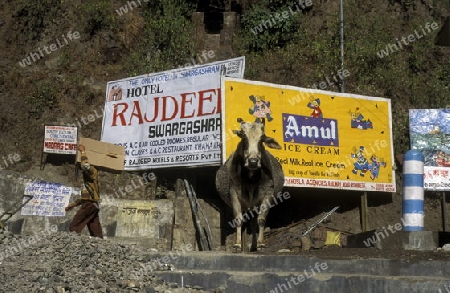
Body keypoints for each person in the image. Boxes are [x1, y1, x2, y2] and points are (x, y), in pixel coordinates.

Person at [65, 144, 103, 238]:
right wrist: (72, 205)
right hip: (93, 205)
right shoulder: (86, 181)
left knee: (74, 225)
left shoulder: (92, 172)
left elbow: (85, 166)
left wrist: (82, 152)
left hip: (89, 205)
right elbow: (84, 198)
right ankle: (100, 244)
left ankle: (73, 242)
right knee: (95, 229)